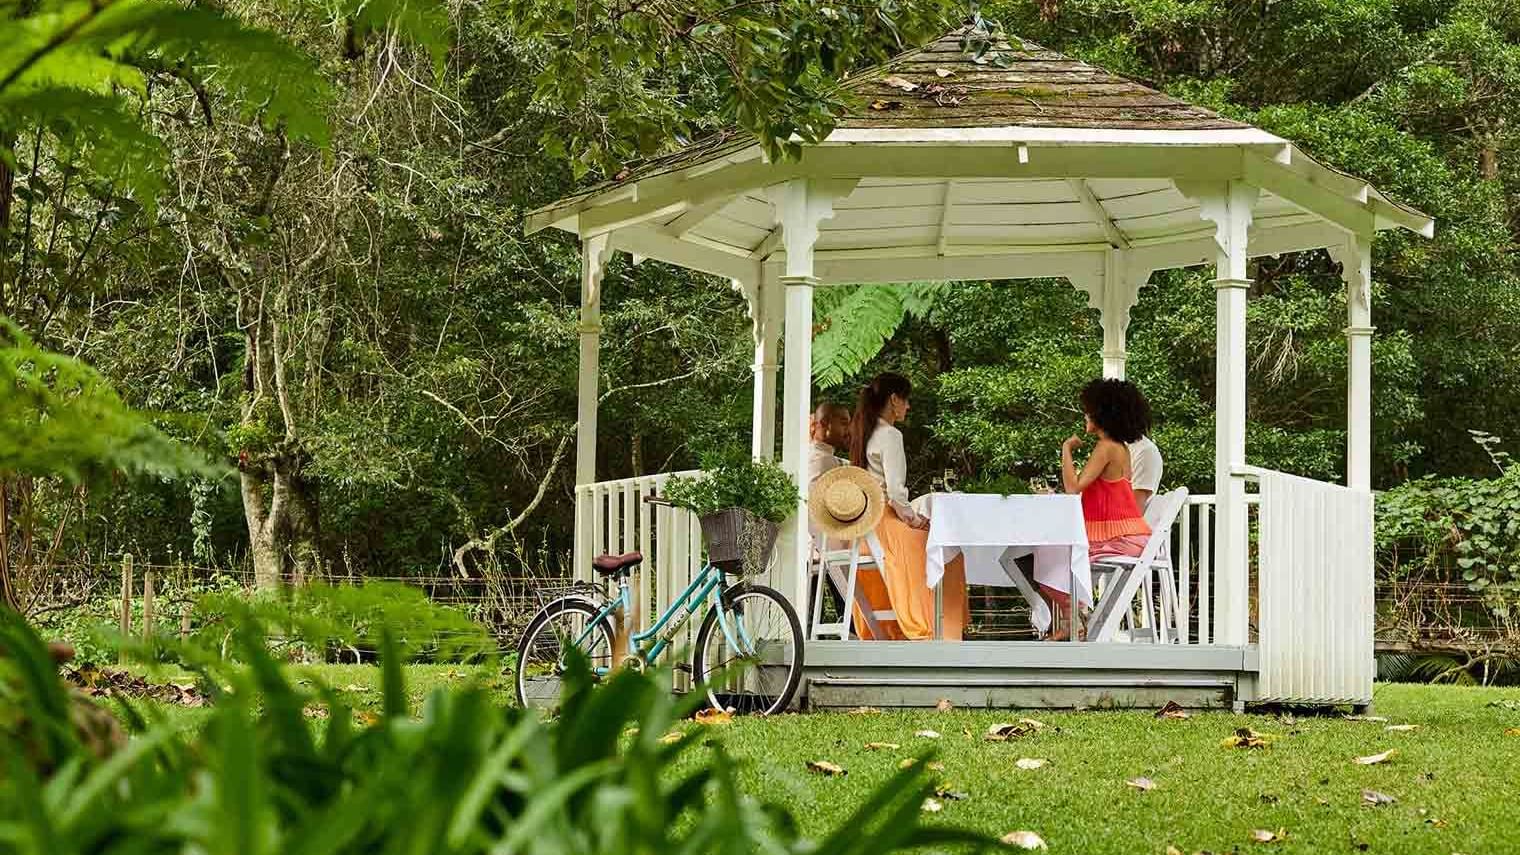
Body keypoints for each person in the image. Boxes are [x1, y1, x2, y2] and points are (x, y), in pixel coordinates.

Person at [849, 372, 969, 641]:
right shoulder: (890, 435)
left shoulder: (865, 433)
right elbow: (895, 493)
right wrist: (913, 520)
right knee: (945, 545)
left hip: (867, 527)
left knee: (936, 542)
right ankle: (938, 627)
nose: (908, 406)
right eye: (906, 400)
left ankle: (904, 626)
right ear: (894, 399)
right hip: (885, 524)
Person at [1053, 378, 1154, 640]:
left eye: (1089, 410)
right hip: (1130, 537)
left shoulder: (1106, 448)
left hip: (1116, 539)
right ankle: (1076, 618)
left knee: (1046, 556)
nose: (1085, 415)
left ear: (1103, 414)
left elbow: (1073, 489)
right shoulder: (1121, 448)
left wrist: (1066, 449)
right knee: (1055, 554)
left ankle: (1073, 619)